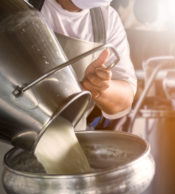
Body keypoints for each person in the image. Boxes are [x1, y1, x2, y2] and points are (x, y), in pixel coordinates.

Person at [30, 0, 136, 129]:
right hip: (9, 139)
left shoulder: (107, 19)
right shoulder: (16, 5)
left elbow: (124, 100)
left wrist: (102, 87)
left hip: (69, 140)